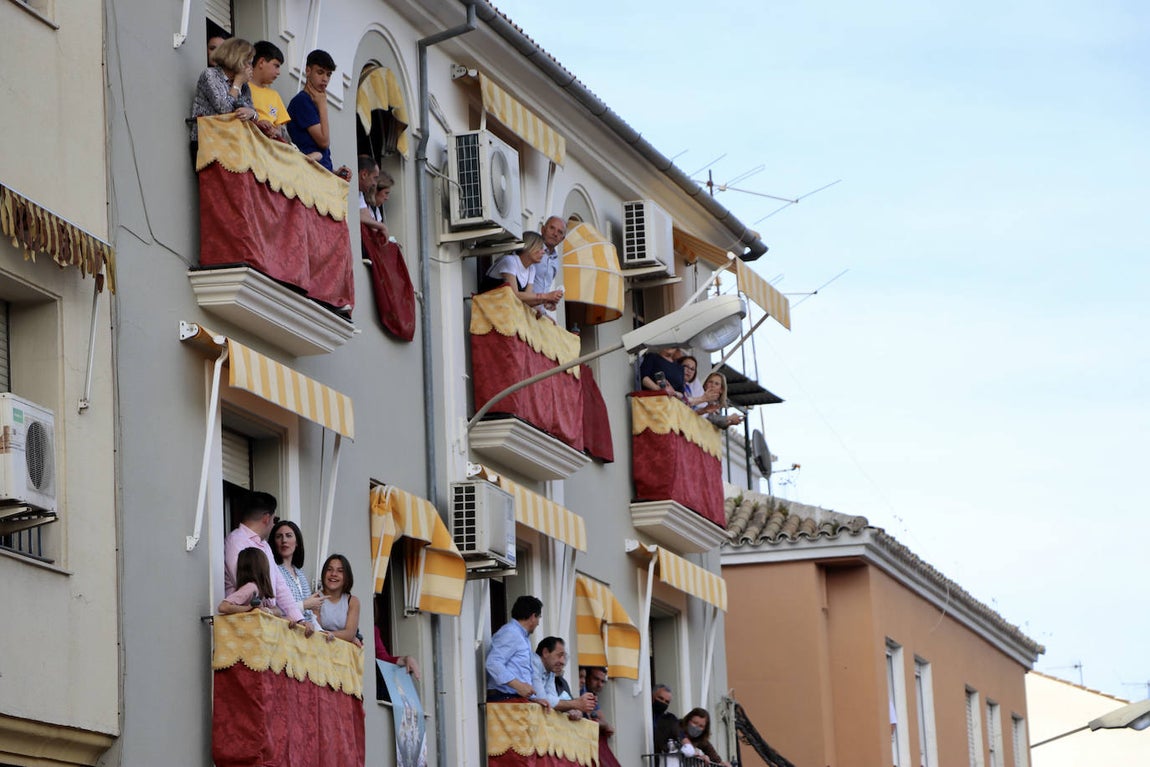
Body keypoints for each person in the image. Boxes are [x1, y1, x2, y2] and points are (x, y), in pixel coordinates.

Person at [222, 492, 308, 629]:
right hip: (245, 624)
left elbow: (280, 586)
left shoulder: (265, 545)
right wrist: (271, 610)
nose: (274, 524)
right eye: (275, 519)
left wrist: (299, 619)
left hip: (264, 621)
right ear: (267, 518)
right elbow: (244, 583)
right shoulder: (236, 541)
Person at [189, 37, 258, 164]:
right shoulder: (210, 75)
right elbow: (224, 108)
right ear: (236, 59)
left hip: (232, 143)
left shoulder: (244, 85)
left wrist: (251, 113)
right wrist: (237, 83)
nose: (250, 68)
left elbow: (253, 112)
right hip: (208, 142)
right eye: (248, 63)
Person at [287, 49, 350, 176]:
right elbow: (324, 142)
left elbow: (321, 150)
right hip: (310, 174)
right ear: (308, 71)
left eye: (328, 74)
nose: (325, 79)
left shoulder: (314, 101)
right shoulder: (302, 101)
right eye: (320, 72)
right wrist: (323, 106)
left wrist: (335, 172)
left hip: (321, 172)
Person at [485, 595, 548, 707]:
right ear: (533, 616)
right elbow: (493, 663)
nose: (538, 623)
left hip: (513, 698)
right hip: (504, 698)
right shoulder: (511, 632)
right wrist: (518, 686)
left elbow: (520, 672)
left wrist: (533, 699)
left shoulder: (521, 636)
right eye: (539, 617)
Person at [482, 232, 563, 310]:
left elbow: (526, 301)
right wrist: (546, 296)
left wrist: (544, 301)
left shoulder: (531, 269)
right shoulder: (510, 261)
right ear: (529, 247)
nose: (543, 252)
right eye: (540, 248)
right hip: (486, 308)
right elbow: (514, 295)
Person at [270, 519, 323, 627]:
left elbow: (310, 615)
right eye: (279, 536)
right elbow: (273, 610)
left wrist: (322, 632)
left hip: (306, 631)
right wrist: (304, 605)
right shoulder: (272, 570)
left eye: (289, 535)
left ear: (297, 542)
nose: (284, 540)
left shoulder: (300, 573)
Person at [534, 637, 595, 718]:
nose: (563, 662)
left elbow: (553, 698)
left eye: (564, 657)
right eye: (559, 655)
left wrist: (572, 709)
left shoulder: (550, 671)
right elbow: (543, 700)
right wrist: (576, 704)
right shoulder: (534, 663)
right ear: (545, 652)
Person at [218, 547, 282, 616]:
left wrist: (267, 610)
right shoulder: (251, 587)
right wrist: (249, 608)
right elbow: (223, 607)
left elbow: (278, 611)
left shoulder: (259, 589)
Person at [317, 553, 363, 646]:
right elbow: (317, 631)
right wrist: (345, 637)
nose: (333, 574)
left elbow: (350, 633)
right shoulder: (316, 598)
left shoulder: (352, 601)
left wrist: (332, 634)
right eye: (329, 569)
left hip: (343, 652)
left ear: (347, 576)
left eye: (340, 571)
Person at [249, 41, 290, 140]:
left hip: (272, 142)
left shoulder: (274, 95)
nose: (278, 72)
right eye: (276, 66)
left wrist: (275, 132)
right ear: (262, 62)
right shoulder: (242, 87)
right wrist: (258, 124)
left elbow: (280, 129)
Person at [533, 216, 568, 317]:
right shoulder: (532, 248)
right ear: (543, 229)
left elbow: (542, 287)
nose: (555, 234)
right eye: (552, 228)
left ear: (562, 239)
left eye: (560, 232)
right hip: (523, 307)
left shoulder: (555, 261)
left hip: (538, 314)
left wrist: (548, 302)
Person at [653, 683, 690, 754]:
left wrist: (691, 750)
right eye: (660, 698)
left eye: (667, 702)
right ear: (653, 697)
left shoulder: (670, 719)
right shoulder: (645, 715)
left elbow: (681, 736)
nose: (663, 702)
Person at [357, 155, 389, 235]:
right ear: (364, 174)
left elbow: (364, 215)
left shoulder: (359, 192)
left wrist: (380, 227)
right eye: (375, 178)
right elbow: (354, 214)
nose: (375, 184)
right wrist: (382, 226)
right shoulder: (349, 186)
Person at [581, 666, 615, 737]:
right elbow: (590, 720)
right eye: (596, 679)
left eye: (602, 681)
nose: (599, 685)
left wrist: (605, 725)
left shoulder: (592, 694)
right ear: (587, 678)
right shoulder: (581, 690)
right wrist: (604, 725)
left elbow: (604, 722)